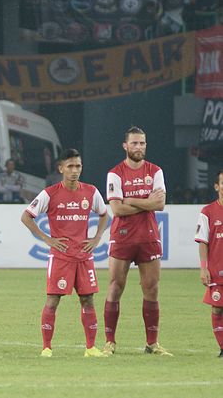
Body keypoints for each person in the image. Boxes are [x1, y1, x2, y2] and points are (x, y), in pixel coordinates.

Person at [20, 148, 109, 358]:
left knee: (88, 300)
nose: (74, 170)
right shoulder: (50, 193)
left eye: (78, 166)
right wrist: (47, 239)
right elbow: (26, 216)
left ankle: (90, 348)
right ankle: (47, 348)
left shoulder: (91, 192)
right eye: (70, 166)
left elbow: (104, 214)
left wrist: (97, 238)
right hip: (60, 257)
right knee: (53, 301)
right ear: (61, 169)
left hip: (84, 257)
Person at [103, 126, 171, 356]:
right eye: (134, 143)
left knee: (151, 289)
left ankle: (152, 343)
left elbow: (159, 205)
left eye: (142, 143)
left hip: (148, 237)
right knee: (115, 287)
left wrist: (130, 198)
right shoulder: (115, 173)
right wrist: (145, 201)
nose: (139, 147)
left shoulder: (156, 171)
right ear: (125, 146)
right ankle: (110, 342)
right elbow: (117, 209)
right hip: (122, 237)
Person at [194, 170, 223, 358]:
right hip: (216, 270)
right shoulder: (208, 212)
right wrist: (203, 267)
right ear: (217, 186)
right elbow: (203, 241)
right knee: (217, 307)